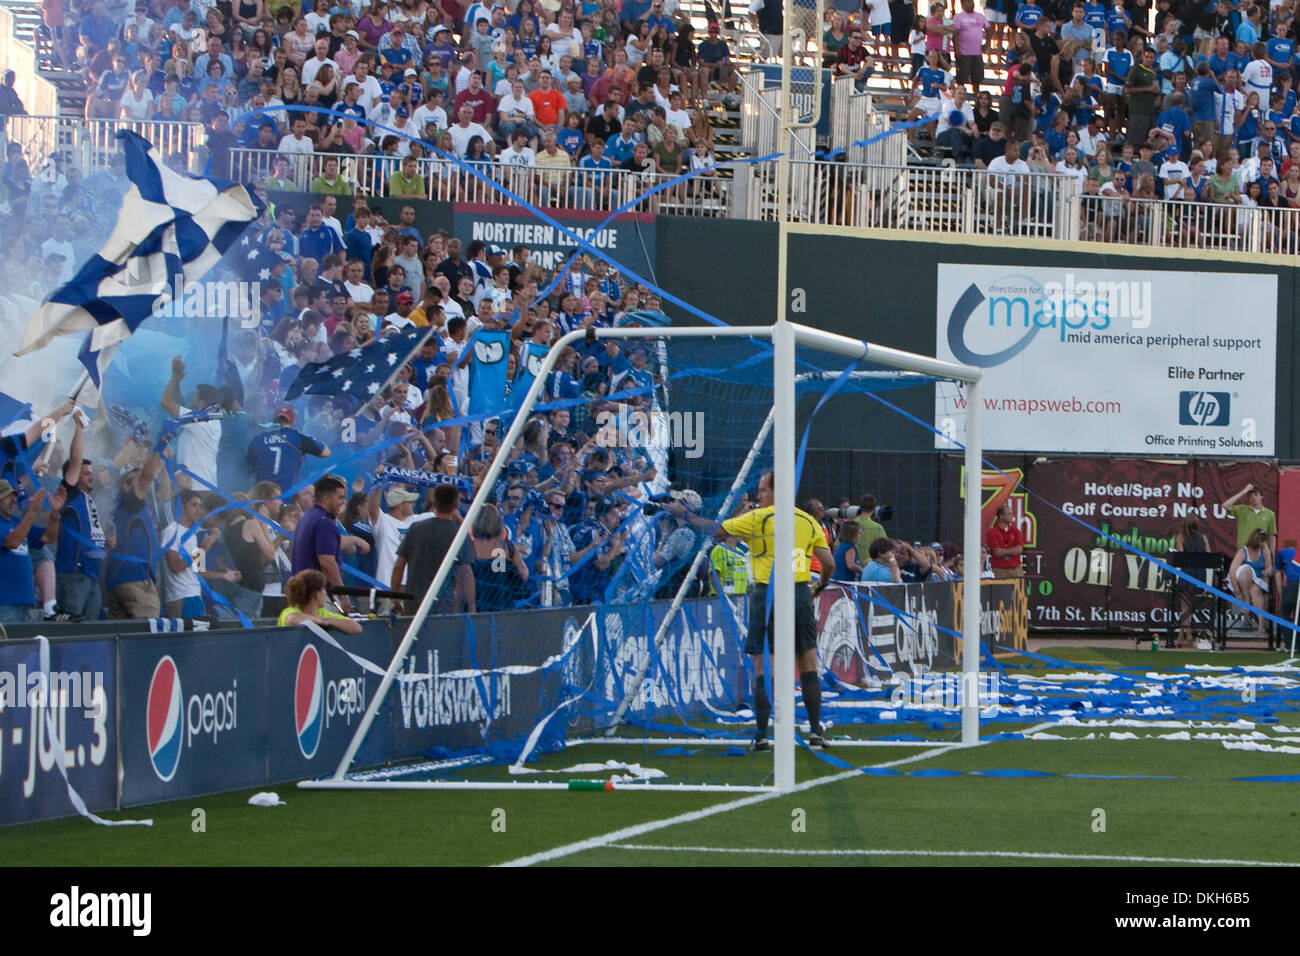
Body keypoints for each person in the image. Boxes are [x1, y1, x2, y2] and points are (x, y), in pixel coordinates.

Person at [716, 470, 833, 750]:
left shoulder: (758, 517)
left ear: (776, 492)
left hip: (766, 594)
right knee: (808, 664)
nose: (759, 495)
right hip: (799, 593)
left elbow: (719, 532)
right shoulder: (808, 520)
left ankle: (761, 735)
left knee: (763, 666)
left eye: (763, 490)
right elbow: (828, 563)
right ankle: (816, 731)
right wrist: (819, 587)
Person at [50, 411, 106, 621]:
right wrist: (79, 429)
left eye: (91, 472)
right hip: (73, 575)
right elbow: (75, 459)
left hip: (92, 575)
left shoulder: (88, 499)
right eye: (85, 472)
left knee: (90, 634)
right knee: (71, 634)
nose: (90, 475)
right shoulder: (70, 493)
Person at [390, 482, 474, 613]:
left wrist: (395, 597)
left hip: (414, 603)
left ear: (434, 503)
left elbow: (398, 566)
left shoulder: (416, 529)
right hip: (444, 604)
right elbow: (466, 574)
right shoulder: (459, 535)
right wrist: (471, 608)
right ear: (456, 504)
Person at [290, 474, 353, 612]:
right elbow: (327, 563)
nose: (343, 502)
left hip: (301, 594)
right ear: (326, 498)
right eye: (340, 498)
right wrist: (343, 596)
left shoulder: (306, 518)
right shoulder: (325, 523)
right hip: (319, 596)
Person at [0, 480, 58, 624]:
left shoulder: (17, 522)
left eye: (14, 495)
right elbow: (12, 542)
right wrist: (32, 511)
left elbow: (48, 537)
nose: (14, 499)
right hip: (4, 603)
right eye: (8, 496)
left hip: (24, 602)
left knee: (22, 646)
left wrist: (55, 515)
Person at [246, 405, 330, 490]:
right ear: (291, 422)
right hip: (285, 495)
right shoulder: (297, 438)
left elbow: (249, 468)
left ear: (274, 420)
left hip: (260, 495)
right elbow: (326, 452)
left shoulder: (258, 439)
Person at [278, 568, 362, 633]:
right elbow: (292, 620)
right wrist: (319, 621)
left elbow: (356, 628)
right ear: (317, 594)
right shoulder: (290, 611)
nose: (325, 593)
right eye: (323, 589)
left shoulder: (321, 613)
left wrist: (327, 621)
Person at [1171, 513, 1209, 647]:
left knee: (1184, 605)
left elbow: (1181, 556)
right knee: (1190, 604)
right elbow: (1208, 555)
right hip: (1199, 573)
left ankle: (1187, 634)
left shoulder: (1181, 537)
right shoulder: (1203, 538)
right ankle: (1183, 634)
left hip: (1187, 572)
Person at [1227, 528, 1272, 635]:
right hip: (1243, 583)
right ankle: (1246, 603)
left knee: (1255, 590)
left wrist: (1267, 571)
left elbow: (1269, 567)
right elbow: (1232, 571)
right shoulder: (1243, 551)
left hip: (1259, 580)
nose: (1263, 544)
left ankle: (1261, 625)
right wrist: (1237, 591)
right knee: (1246, 569)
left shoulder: (1264, 549)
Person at [1221, 482, 1276, 552]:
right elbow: (1225, 505)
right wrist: (1243, 491)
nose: (1253, 497)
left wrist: (1272, 554)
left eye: (1256, 495)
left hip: (1260, 551)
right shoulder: (1242, 509)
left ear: (1262, 496)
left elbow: (1271, 535)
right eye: (1250, 496)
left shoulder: (1270, 514)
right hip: (1243, 551)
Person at [986, 503, 1024, 578]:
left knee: (1019, 589)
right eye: (1009, 514)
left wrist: (1003, 551)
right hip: (999, 570)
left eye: (1012, 514)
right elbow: (997, 553)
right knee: (1000, 590)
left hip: (1016, 569)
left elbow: (1019, 550)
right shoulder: (992, 532)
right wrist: (1012, 551)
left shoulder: (1016, 531)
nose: (1012, 516)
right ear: (1001, 516)